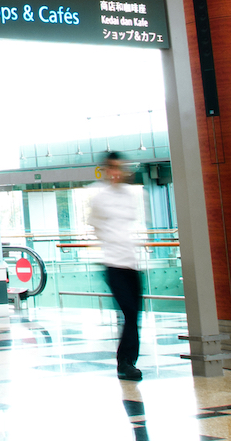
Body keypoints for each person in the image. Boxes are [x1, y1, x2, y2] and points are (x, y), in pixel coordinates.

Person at [89, 152, 144, 382]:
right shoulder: (99, 197)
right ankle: (125, 362)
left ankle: (128, 360)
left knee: (135, 314)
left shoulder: (132, 195)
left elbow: (134, 224)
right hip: (113, 263)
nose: (116, 172)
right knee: (129, 312)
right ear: (105, 169)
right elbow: (96, 226)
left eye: (119, 167)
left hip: (132, 262)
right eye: (112, 168)